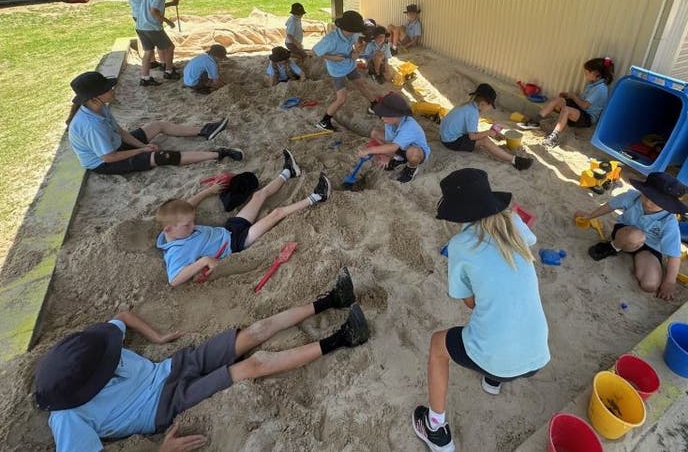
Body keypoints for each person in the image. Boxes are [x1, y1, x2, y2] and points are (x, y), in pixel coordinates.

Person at [34, 270, 369, 452]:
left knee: (257, 330)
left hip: (173, 366)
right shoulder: (68, 417)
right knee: (254, 364)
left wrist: (157, 337)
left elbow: (121, 316)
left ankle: (331, 300)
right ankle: (344, 338)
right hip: (166, 405)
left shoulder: (94, 347)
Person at [412, 168, 550, 452]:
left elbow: (469, 301)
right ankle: (492, 381)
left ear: (457, 213)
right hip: (537, 355)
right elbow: (530, 243)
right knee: (502, 312)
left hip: (500, 357)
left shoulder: (460, 245)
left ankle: (435, 428)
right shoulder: (512, 221)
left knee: (439, 344)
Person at [156, 150, 330, 286]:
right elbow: (174, 280)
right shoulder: (175, 252)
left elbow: (187, 206)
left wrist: (207, 191)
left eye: (192, 222)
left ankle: (288, 171)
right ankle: (317, 197)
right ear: (168, 229)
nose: (193, 226)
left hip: (228, 229)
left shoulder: (174, 225)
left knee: (258, 195)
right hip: (236, 244)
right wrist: (205, 261)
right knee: (276, 214)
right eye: (188, 225)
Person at [66, 71, 240, 175]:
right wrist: (142, 150)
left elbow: (119, 131)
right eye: (106, 89)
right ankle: (218, 153)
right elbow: (108, 157)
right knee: (162, 157)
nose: (112, 90)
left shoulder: (99, 107)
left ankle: (205, 130)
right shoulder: (91, 125)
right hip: (104, 162)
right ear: (94, 97)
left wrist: (142, 144)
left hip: (115, 145)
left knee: (157, 125)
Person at [574, 171, 688, 300]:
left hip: (649, 249)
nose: (648, 202)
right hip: (625, 234)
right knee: (634, 236)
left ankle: (636, 257)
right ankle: (612, 247)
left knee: (649, 285)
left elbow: (674, 255)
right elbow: (609, 206)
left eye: (657, 201)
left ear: (668, 205)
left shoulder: (669, 222)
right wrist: (589, 216)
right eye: (647, 196)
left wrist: (669, 282)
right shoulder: (632, 197)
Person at [518, 57, 614, 148]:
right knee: (557, 99)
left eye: (586, 72)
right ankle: (535, 121)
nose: (585, 75)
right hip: (580, 110)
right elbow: (582, 100)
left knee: (566, 110)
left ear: (595, 73)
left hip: (587, 117)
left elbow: (584, 105)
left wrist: (573, 96)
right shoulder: (593, 84)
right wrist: (568, 96)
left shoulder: (600, 88)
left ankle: (553, 138)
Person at [312, 10, 379, 131]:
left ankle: (374, 105)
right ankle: (324, 121)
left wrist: (357, 50)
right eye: (356, 29)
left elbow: (355, 50)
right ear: (347, 28)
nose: (358, 32)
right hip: (337, 70)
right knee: (342, 98)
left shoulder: (353, 34)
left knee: (361, 84)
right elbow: (315, 52)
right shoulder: (331, 39)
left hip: (349, 64)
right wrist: (333, 57)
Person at [440, 83, 533, 171]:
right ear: (483, 104)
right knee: (484, 140)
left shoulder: (467, 106)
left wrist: (489, 133)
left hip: (445, 136)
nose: (488, 109)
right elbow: (472, 137)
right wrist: (488, 133)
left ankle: (511, 157)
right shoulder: (473, 113)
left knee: (483, 137)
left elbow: (471, 132)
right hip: (451, 142)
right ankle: (514, 160)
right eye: (489, 106)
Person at [358, 93, 430, 184]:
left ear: (396, 115)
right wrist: (387, 155)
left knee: (413, 152)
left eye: (385, 115)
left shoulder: (409, 126)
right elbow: (389, 141)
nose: (382, 118)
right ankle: (398, 159)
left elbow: (393, 146)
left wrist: (369, 150)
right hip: (399, 147)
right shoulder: (389, 122)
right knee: (375, 133)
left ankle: (411, 169)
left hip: (416, 152)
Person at [136, 0, 181, 86]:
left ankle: (145, 78)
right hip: (152, 27)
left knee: (148, 52)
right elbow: (154, 11)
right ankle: (169, 72)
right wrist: (168, 21)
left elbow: (154, 6)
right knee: (170, 47)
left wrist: (170, 4)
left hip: (141, 27)